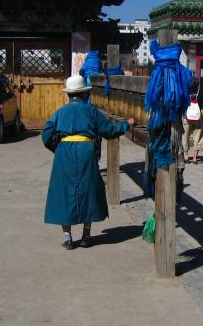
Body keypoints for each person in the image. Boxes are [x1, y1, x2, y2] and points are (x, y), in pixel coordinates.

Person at [42, 74, 134, 250]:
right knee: (89, 190)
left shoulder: (60, 113)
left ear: (69, 95)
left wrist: (59, 148)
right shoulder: (92, 111)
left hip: (65, 154)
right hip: (86, 152)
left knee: (64, 192)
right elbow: (109, 130)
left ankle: (68, 238)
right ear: (84, 94)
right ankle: (86, 236)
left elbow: (46, 134)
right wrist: (127, 125)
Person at [182, 77, 203, 164]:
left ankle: (186, 157)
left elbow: (181, 104)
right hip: (198, 118)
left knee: (185, 136)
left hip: (187, 118)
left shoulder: (185, 92)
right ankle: (195, 158)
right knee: (198, 137)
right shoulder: (200, 93)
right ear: (198, 84)